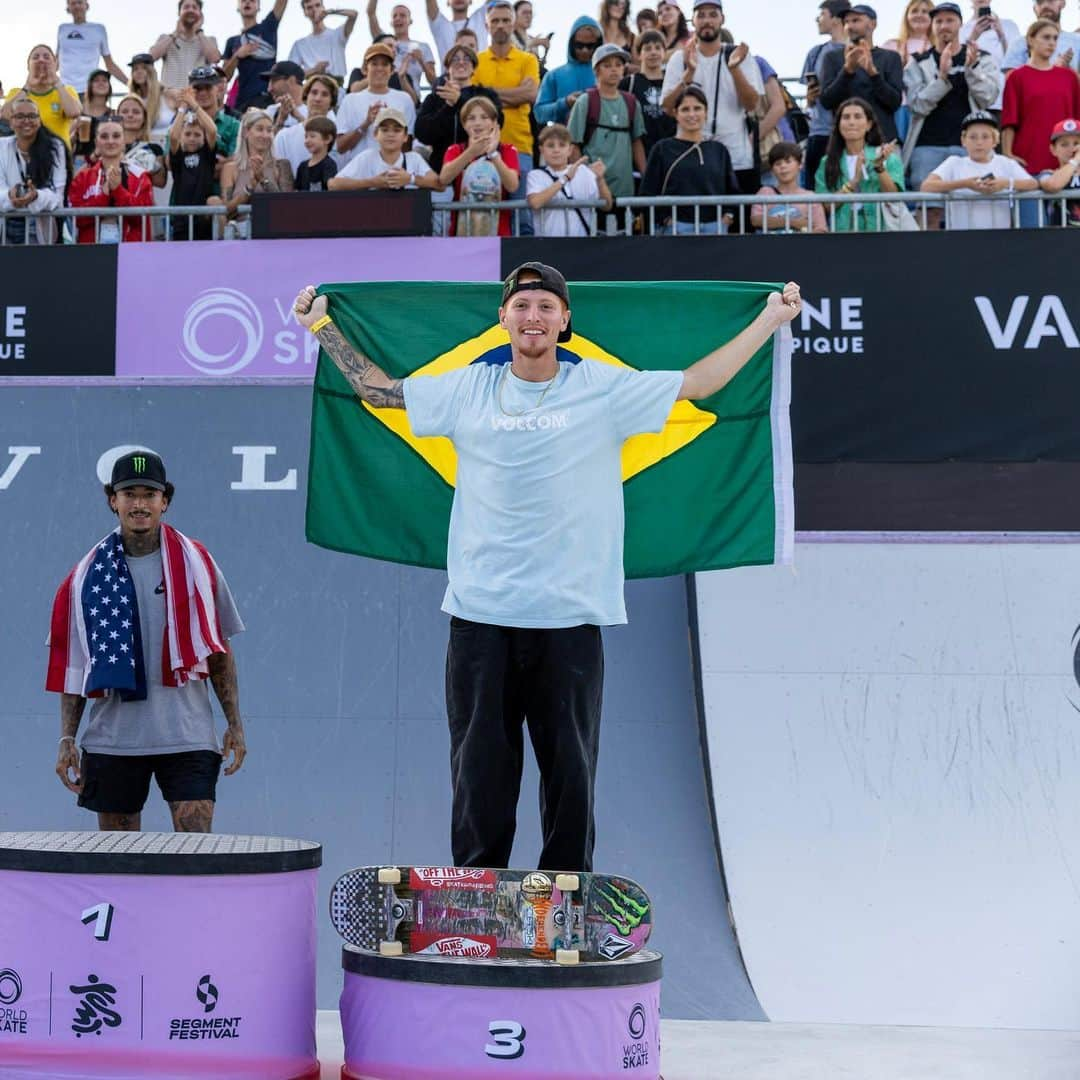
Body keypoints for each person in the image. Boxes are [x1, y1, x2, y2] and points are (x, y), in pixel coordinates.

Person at [291, 265, 802, 871]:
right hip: (480, 616)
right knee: (480, 772)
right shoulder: (467, 390)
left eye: (546, 306)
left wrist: (771, 320)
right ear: (502, 319)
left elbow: (699, 382)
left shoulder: (603, 388)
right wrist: (319, 325)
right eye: (522, 305)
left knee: (571, 774)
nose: (533, 316)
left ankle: (565, 903)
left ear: (564, 322)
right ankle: (476, 899)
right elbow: (378, 391)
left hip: (569, 617)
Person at [49, 451, 246, 835]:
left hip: (187, 736)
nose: (139, 504)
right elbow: (77, 664)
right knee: (120, 870)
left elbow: (219, 652)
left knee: (194, 859)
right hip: (114, 741)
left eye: (149, 494)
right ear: (113, 500)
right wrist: (66, 738)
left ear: (164, 501)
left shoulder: (198, 564)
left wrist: (235, 724)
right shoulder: (85, 576)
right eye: (129, 494)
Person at [902, 0, 1002, 226]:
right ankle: (926, 259)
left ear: (960, 24)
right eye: (938, 21)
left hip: (970, 146)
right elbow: (917, 105)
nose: (944, 26)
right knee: (930, 211)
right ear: (932, 26)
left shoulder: (982, 58)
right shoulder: (917, 63)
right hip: (927, 146)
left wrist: (972, 70)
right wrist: (942, 78)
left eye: (949, 20)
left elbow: (988, 97)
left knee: (971, 207)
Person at [660, 1, 765, 197]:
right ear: (693, 21)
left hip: (736, 158)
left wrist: (734, 69)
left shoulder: (740, 56)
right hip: (691, 157)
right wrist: (688, 75)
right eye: (701, 15)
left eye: (713, 15)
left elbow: (752, 104)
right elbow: (667, 107)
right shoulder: (679, 59)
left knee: (738, 225)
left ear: (722, 19)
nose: (707, 21)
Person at [474, 0, 540, 229]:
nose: (500, 25)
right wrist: (514, 94)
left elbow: (531, 94)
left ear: (513, 24)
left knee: (523, 219)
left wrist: (488, 94)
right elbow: (474, 102)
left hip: (519, 146)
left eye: (505, 20)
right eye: (495, 21)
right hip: (480, 148)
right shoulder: (476, 61)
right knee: (482, 218)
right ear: (486, 25)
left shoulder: (528, 59)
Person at [640, 84, 737, 233]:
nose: (692, 114)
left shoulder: (719, 150)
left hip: (715, 228)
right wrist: (666, 220)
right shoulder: (662, 149)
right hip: (675, 229)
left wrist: (727, 217)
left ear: (706, 112)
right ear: (676, 114)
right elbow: (648, 191)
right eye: (685, 109)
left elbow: (733, 190)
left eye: (697, 108)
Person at [921, 109, 1036, 227]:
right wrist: (965, 184)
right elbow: (927, 186)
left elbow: (1032, 183)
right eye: (973, 137)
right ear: (963, 140)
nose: (979, 142)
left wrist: (1005, 183)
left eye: (985, 137)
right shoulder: (954, 162)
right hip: (962, 238)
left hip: (999, 238)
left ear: (995, 140)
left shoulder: (1005, 163)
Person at [569, 44, 645, 215]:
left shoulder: (631, 102)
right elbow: (573, 146)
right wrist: (585, 177)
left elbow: (636, 142)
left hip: (624, 189)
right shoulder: (585, 101)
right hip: (593, 190)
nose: (614, 70)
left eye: (618, 65)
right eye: (607, 65)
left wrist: (645, 175)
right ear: (596, 70)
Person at [1002, 18, 1080, 175]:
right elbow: (1009, 121)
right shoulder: (1017, 77)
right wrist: (1008, 155)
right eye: (1046, 37)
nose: (1052, 43)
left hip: (1065, 163)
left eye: (1055, 38)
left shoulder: (1069, 77)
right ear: (1030, 40)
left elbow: (1078, 118)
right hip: (1028, 159)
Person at [815, 95, 904, 231]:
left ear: (869, 124)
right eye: (846, 117)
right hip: (842, 233)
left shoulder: (887, 157)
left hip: (880, 232)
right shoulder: (827, 162)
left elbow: (894, 197)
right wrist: (853, 182)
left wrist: (879, 167)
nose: (851, 122)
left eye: (857, 117)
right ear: (838, 125)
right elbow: (825, 206)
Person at [818, 4, 905, 143]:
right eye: (846, 22)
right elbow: (827, 101)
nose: (850, 26)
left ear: (873, 24)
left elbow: (894, 102)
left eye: (856, 20)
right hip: (845, 144)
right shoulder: (832, 58)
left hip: (883, 142)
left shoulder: (890, 58)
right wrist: (847, 71)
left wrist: (873, 74)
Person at [439, 93, 520, 234]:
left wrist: (493, 154)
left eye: (484, 117)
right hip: (462, 233)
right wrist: (471, 152)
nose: (477, 123)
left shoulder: (508, 150)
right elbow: (444, 179)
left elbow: (512, 186)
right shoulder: (455, 150)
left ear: (494, 123)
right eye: (471, 118)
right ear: (464, 124)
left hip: (498, 234)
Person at [209, 108, 294, 237]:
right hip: (241, 238)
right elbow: (226, 211)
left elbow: (286, 207)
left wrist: (263, 181)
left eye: (269, 130)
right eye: (259, 129)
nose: (265, 135)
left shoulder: (282, 165)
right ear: (246, 132)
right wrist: (249, 189)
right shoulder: (230, 168)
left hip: (274, 236)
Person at [69, 114, 155, 242]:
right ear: (96, 142)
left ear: (123, 140)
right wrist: (104, 195)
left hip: (131, 253)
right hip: (91, 254)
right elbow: (77, 220)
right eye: (104, 136)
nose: (110, 141)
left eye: (116, 136)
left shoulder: (140, 177)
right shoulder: (82, 177)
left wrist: (118, 191)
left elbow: (141, 218)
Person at [415, 44, 501, 170]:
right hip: (442, 172)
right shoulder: (433, 98)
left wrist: (460, 101)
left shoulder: (487, 95)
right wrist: (448, 107)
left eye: (466, 59)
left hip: (480, 172)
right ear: (447, 67)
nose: (461, 62)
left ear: (473, 67)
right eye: (455, 59)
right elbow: (422, 134)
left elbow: (499, 121)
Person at [0, 96, 67, 245]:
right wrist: (11, 196)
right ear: (11, 122)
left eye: (32, 116)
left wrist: (36, 196)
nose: (26, 121)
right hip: (5, 224)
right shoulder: (1, 146)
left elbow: (58, 196)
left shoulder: (55, 147)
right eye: (19, 116)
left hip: (39, 227)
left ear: (39, 120)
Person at [336, 43, 417, 165]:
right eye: (374, 64)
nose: (380, 68)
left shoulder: (404, 99)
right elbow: (340, 147)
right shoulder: (350, 100)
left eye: (385, 64)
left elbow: (407, 147)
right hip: (358, 175)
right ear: (365, 69)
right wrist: (366, 123)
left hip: (392, 175)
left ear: (392, 70)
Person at [527, 121, 612, 234]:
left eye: (562, 145)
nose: (556, 150)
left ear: (570, 150)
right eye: (550, 145)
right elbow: (535, 203)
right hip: (547, 247)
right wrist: (565, 178)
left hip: (581, 247)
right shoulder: (535, 175)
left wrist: (600, 179)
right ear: (541, 150)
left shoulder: (584, 172)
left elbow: (607, 205)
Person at [802, 0, 850, 191]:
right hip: (819, 132)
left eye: (822, 14)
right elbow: (810, 101)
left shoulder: (860, 51)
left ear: (836, 19)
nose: (817, 19)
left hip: (848, 132)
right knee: (815, 192)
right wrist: (810, 98)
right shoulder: (815, 53)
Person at [330, 107, 442, 188]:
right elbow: (333, 184)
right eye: (384, 130)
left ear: (405, 137)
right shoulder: (367, 157)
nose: (390, 134)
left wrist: (410, 179)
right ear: (375, 134)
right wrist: (372, 183)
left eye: (397, 130)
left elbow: (439, 185)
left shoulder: (414, 158)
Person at [2, 45, 81, 150]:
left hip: (58, 157)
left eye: (46, 57)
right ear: (28, 66)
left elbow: (74, 112)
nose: (41, 60)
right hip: (26, 157)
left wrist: (57, 82)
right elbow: (6, 115)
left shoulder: (66, 91)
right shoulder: (16, 92)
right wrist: (27, 86)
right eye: (35, 57)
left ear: (55, 65)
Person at [222, 0, 291, 113]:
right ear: (238, 7)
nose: (248, 3)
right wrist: (237, 55)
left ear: (258, 7)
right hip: (242, 101)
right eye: (243, 1)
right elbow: (225, 77)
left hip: (266, 98)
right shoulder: (232, 41)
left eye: (253, 1)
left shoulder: (268, 27)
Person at [534, 16, 602, 126]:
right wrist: (565, 103)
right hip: (565, 139)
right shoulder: (554, 76)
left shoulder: (607, 74)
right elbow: (539, 113)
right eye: (579, 45)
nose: (584, 50)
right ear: (571, 44)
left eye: (590, 46)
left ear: (598, 45)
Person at [168, 90, 218, 238]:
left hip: (204, 219)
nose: (192, 138)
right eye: (188, 134)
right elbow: (173, 136)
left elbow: (213, 130)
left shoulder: (206, 154)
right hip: (181, 221)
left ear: (203, 138)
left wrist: (194, 104)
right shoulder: (178, 156)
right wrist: (183, 108)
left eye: (197, 135)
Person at [151, 0, 222, 103]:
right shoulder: (166, 38)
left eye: (194, 7)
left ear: (200, 14)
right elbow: (151, 57)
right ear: (179, 13)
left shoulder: (209, 40)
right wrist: (175, 34)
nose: (190, 10)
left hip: (197, 101)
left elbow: (215, 58)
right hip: (169, 100)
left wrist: (198, 31)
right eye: (186, 7)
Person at [751, 140, 828, 232]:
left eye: (788, 161)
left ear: (800, 165)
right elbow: (756, 220)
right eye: (777, 163)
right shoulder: (765, 192)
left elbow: (821, 229)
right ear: (772, 169)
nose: (783, 166)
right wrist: (792, 222)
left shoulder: (810, 197)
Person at [621, 29, 677, 154]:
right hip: (638, 152)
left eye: (658, 48)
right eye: (647, 48)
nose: (653, 52)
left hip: (670, 151)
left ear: (664, 52)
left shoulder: (673, 81)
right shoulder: (629, 82)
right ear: (639, 54)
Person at [57, 0, 128, 92]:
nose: (77, 6)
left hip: (89, 90)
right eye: (73, 3)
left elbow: (110, 64)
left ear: (86, 6)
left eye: (80, 2)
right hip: (65, 89)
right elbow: (55, 62)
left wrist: (130, 84)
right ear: (68, 8)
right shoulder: (62, 29)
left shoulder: (98, 29)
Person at [275, 73, 339, 174]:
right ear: (305, 97)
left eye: (325, 94)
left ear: (332, 103)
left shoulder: (338, 137)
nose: (318, 99)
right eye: (314, 93)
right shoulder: (284, 136)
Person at [368, 1, 438, 90]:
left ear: (410, 21)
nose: (398, 18)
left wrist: (421, 61)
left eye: (402, 15)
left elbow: (434, 81)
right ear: (391, 22)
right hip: (385, 97)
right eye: (394, 16)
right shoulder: (384, 42)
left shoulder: (423, 47)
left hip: (412, 99)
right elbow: (371, 14)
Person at [1001, 0, 1080, 71]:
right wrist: (1054, 70)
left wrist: (1068, 71)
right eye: (1039, 2)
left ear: (1063, 3)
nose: (1045, 5)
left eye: (1050, 0)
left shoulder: (1077, 41)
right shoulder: (1019, 44)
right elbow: (1012, 82)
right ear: (1034, 8)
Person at [289, 0, 359, 80]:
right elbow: (291, 74)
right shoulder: (299, 45)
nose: (314, 10)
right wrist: (314, 70)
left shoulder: (337, 34)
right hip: (311, 87)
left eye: (318, 5)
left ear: (323, 7)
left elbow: (353, 14)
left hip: (337, 88)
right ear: (305, 13)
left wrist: (329, 12)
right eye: (309, 7)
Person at [188, 65, 241, 168]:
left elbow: (237, 159)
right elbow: (170, 163)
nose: (202, 93)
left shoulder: (234, 125)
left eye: (208, 87)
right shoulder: (182, 122)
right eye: (197, 89)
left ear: (218, 89)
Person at [1038, 115, 1080, 223]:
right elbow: (1053, 185)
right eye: (1064, 144)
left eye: (1077, 143)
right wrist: (1076, 160)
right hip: (1059, 237)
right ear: (1053, 149)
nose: (1071, 149)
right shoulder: (1047, 174)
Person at [129, 54, 174, 140]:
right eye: (135, 69)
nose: (139, 72)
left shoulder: (168, 94)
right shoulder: (132, 100)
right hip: (142, 148)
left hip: (169, 147)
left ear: (152, 71)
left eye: (143, 68)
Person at [73, 68, 111, 167]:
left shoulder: (113, 114)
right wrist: (74, 133)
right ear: (89, 86)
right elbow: (68, 142)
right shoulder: (78, 112)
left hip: (104, 161)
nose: (101, 83)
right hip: (80, 161)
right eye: (96, 80)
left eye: (105, 80)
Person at [881, 0, 934, 65]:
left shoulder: (938, 49)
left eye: (925, 12)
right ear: (906, 16)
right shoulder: (890, 46)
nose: (919, 15)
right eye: (914, 11)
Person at [296, 115, 339, 188]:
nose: (307, 140)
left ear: (328, 139)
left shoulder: (329, 165)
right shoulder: (302, 166)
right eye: (306, 136)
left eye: (312, 136)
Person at [264, 60, 308, 130]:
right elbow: (266, 140)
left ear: (291, 80)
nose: (269, 89)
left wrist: (298, 116)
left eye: (274, 81)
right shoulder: (271, 110)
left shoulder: (314, 111)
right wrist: (280, 120)